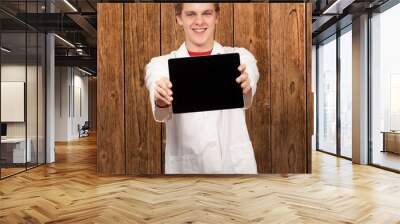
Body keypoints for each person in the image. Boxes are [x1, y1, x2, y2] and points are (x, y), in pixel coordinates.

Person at [145, 3, 260, 174]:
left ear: (216, 17)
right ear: (179, 19)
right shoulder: (160, 65)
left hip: (234, 167)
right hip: (188, 170)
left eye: (206, 13)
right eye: (191, 14)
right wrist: (161, 99)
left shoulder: (241, 57)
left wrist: (246, 85)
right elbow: (161, 113)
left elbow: (246, 98)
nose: (199, 21)